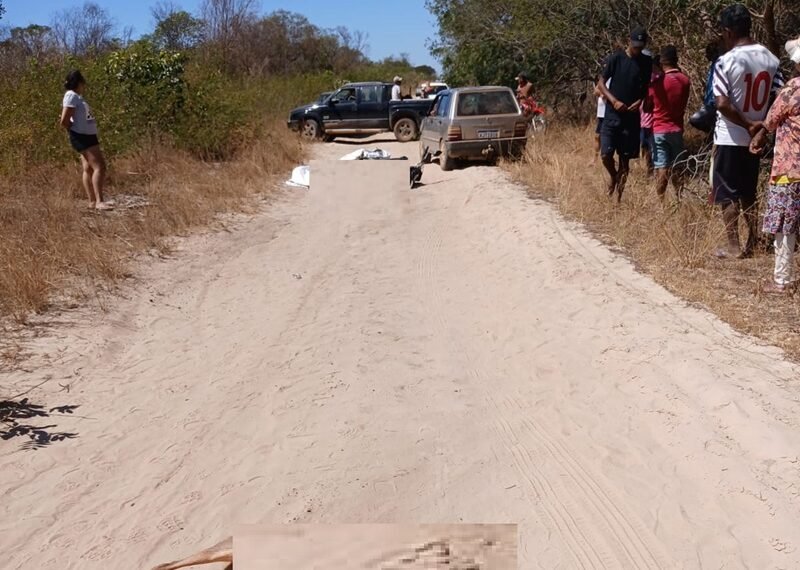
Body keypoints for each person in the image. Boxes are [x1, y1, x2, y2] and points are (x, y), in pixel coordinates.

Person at [711, 3, 782, 258]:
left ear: (728, 32)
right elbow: (778, 98)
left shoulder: (725, 62)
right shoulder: (771, 59)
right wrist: (761, 128)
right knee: (749, 191)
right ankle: (754, 240)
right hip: (757, 139)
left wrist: (747, 125)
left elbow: (721, 103)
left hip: (730, 135)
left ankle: (733, 246)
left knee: (726, 193)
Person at [749, 37, 800, 292]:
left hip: (788, 171)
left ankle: (782, 280)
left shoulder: (791, 89)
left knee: (784, 227)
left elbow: (770, 121)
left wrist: (758, 138)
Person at [597, 27, 653, 202]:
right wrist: (613, 100)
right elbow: (601, 83)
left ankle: (618, 199)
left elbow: (646, 88)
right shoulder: (616, 58)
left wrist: (641, 101)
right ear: (629, 42)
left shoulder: (646, 62)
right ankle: (613, 177)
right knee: (606, 154)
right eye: (634, 45)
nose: (636, 49)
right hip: (612, 115)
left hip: (631, 118)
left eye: (640, 46)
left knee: (625, 160)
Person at [59, 70, 113, 211]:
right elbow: (64, 120)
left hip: (86, 134)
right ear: (79, 82)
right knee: (99, 166)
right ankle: (100, 201)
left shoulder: (76, 97)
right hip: (82, 135)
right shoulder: (71, 96)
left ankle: (92, 202)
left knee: (88, 168)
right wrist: (74, 131)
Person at [650, 45, 691, 199]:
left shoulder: (657, 84)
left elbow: (648, 106)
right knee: (677, 166)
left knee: (662, 166)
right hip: (677, 129)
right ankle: (678, 197)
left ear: (662, 61)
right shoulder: (685, 81)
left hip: (659, 129)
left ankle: (661, 200)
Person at [639, 52, 659, 177]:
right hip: (642, 120)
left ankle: (654, 171)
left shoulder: (657, 78)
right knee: (644, 146)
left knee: (653, 148)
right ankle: (649, 169)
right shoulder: (641, 76)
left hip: (653, 120)